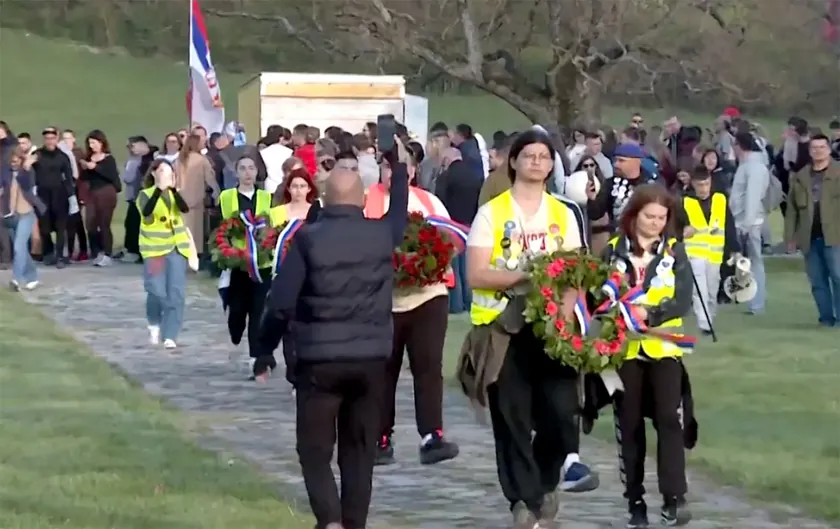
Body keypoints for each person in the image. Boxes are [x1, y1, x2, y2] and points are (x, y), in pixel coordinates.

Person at [254, 146, 409, 529]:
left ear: (323, 199)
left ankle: (330, 520)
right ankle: (354, 522)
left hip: (319, 362)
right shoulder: (381, 235)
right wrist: (399, 167)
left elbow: (280, 302)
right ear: (362, 199)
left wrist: (264, 349)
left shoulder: (308, 240)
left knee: (315, 449)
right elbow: (400, 213)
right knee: (359, 449)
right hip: (371, 360)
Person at [462, 129, 597, 529]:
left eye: (544, 156)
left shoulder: (563, 213)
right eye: (529, 155)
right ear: (514, 161)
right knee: (513, 417)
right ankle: (523, 500)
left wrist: (567, 315)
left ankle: (544, 481)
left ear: (552, 164)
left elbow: (575, 272)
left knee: (560, 412)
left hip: (551, 328)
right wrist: (525, 276)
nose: (537, 162)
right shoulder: (492, 212)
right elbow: (476, 272)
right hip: (503, 329)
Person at [600, 184, 695, 528]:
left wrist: (650, 316)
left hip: (664, 347)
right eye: (649, 216)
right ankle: (635, 501)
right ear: (634, 215)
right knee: (630, 424)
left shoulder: (674, 252)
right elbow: (598, 296)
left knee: (670, 419)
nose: (655, 223)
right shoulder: (612, 250)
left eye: (661, 218)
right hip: (623, 349)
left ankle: (675, 498)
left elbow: (683, 298)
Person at [365, 146, 461, 466]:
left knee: (428, 365)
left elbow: (451, 243)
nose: (394, 172)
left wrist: (426, 264)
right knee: (383, 368)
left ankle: (431, 434)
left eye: (401, 166)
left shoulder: (430, 201)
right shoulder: (368, 200)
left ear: (414, 170)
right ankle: (379, 435)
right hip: (384, 298)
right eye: (388, 166)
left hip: (427, 294)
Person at [218, 155, 275, 376]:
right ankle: (235, 329)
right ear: (237, 172)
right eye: (243, 168)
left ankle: (255, 358)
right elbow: (224, 226)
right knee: (238, 309)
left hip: (262, 263)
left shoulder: (266, 197)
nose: (248, 173)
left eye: (251, 168)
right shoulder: (227, 197)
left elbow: (271, 226)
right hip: (238, 261)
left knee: (259, 311)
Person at [785, 134, 840, 326]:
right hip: (809, 237)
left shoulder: (838, 173)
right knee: (817, 282)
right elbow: (791, 210)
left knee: (838, 277)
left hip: (835, 236)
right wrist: (790, 237)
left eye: (822, 147)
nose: (818, 151)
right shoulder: (800, 177)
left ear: (829, 149)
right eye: (814, 148)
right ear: (809, 151)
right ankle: (826, 319)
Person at [137, 160, 193, 349]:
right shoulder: (145, 195)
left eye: (169, 172)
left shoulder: (174, 194)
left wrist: (173, 190)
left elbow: (184, 209)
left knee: (176, 294)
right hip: (155, 251)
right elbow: (146, 212)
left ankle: (170, 335)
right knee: (156, 291)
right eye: (161, 171)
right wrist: (158, 190)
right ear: (153, 174)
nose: (165, 175)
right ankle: (154, 324)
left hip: (177, 249)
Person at [679, 167, 739, 335]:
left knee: (712, 290)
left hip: (715, 254)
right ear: (693, 184)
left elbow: (729, 225)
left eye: (706, 184)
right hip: (694, 254)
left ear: (710, 182)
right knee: (699, 290)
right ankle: (704, 324)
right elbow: (676, 226)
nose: (703, 189)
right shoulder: (685, 202)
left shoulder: (720, 199)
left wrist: (735, 249)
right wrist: (683, 232)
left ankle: (709, 318)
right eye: (700, 185)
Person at [730, 132, 770, 315]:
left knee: (754, 262)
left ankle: (756, 303)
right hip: (744, 220)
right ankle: (748, 298)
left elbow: (752, 197)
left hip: (750, 222)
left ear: (739, 145)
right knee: (745, 263)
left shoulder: (753, 166)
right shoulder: (748, 165)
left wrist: (746, 224)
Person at [1, 149, 46, 290]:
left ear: (21, 160)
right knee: (21, 251)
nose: (13, 163)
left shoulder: (27, 172)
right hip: (11, 216)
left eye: (16, 161)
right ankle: (32, 277)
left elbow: (27, 184)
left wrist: (26, 167)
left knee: (18, 247)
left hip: (27, 214)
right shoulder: (6, 173)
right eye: (11, 161)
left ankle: (16, 280)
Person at [586, 143, 655, 233]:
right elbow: (595, 215)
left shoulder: (652, 185)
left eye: (621, 161)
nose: (616, 164)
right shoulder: (610, 183)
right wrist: (592, 199)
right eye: (616, 160)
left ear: (637, 161)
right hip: (618, 238)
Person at [33, 127, 76, 268]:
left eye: (52, 138)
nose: (49, 141)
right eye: (47, 138)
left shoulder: (62, 157)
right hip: (42, 195)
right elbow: (29, 171)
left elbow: (69, 178)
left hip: (60, 194)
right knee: (44, 227)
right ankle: (48, 253)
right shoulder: (37, 155)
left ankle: (60, 256)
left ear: (56, 139)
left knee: (60, 227)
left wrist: (72, 197)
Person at [80, 129, 121, 267]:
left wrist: (96, 167)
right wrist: (85, 168)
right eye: (90, 143)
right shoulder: (88, 158)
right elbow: (85, 178)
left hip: (106, 192)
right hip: (92, 193)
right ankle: (97, 251)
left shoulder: (108, 159)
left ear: (101, 142)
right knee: (91, 224)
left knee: (104, 224)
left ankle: (107, 253)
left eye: (94, 142)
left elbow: (112, 176)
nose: (92, 146)